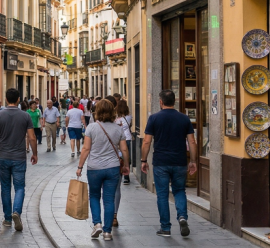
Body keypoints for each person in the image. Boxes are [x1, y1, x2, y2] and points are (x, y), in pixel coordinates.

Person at [141, 90, 197, 238]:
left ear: (161, 102)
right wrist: (193, 161)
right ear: (174, 101)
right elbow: (192, 141)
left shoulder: (154, 118)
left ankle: (165, 228)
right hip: (179, 161)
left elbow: (146, 141)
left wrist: (143, 160)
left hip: (161, 162)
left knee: (162, 195)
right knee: (179, 191)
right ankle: (182, 217)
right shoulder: (184, 118)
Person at [76, 100, 130, 241]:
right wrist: (126, 165)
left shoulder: (91, 127)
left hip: (94, 168)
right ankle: (107, 232)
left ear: (97, 111)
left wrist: (80, 166)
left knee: (94, 196)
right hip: (112, 168)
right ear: (113, 112)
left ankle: (97, 224)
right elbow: (124, 149)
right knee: (109, 199)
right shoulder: (118, 128)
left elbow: (86, 148)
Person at [0, 88, 36, 231]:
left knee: (5, 187)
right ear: (18, 99)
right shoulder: (25, 116)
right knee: (20, 187)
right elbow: (32, 137)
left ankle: (8, 219)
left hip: (3, 157)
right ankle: (17, 212)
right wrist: (35, 153)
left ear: (6, 99)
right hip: (19, 157)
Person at [115, 99, 133, 186]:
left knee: (119, 156)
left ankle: (119, 173)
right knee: (126, 156)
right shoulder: (129, 117)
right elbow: (131, 125)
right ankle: (126, 176)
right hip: (127, 138)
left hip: (118, 139)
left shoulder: (116, 119)